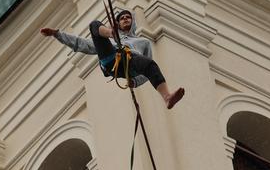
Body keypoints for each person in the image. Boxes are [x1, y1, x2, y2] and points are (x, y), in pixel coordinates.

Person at [40, 10, 185, 109]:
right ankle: (110, 33)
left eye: (128, 17)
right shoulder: (113, 41)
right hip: (112, 59)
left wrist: (134, 82)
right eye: (122, 18)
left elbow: (148, 72)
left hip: (130, 63)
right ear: (119, 24)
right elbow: (81, 44)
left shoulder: (143, 42)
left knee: (150, 64)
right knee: (94, 25)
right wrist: (57, 34)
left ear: (132, 22)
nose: (125, 19)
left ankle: (166, 96)